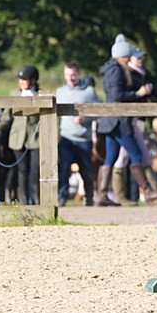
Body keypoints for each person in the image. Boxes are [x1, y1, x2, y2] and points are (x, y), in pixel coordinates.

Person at [95, 35, 157, 206]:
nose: (128, 59)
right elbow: (117, 96)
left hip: (111, 120)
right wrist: (138, 94)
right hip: (119, 119)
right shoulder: (116, 70)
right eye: (126, 57)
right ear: (121, 56)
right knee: (136, 154)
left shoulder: (111, 69)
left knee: (111, 157)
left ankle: (101, 194)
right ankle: (148, 190)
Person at [56, 62, 101, 206]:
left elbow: (100, 111)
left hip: (83, 138)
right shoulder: (60, 92)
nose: (71, 78)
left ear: (79, 74)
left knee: (86, 170)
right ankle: (62, 197)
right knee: (64, 168)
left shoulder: (89, 92)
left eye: (73, 75)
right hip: (66, 138)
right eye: (68, 75)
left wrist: (86, 119)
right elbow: (54, 115)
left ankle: (89, 197)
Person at [7, 65, 41, 205]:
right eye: (20, 79)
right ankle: (23, 200)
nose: (21, 82)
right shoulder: (14, 94)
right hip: (17, 138)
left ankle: (36, 198)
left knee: (35, 170)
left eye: (24, 79)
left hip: (35, 138)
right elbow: (6, 116)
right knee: (22, 170)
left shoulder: (40, 94)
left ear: (33, 80)